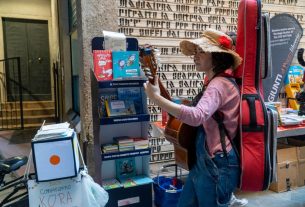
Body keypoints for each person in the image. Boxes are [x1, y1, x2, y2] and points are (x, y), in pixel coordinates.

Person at [144, 29, 242, 207]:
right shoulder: (214, 82)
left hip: (217, 165)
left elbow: (197, 116)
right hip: (205, 162)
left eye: (201, 52)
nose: (195, 57)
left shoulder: (218, 85)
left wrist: (156, 98)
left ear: (217, 57)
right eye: (195, 52)